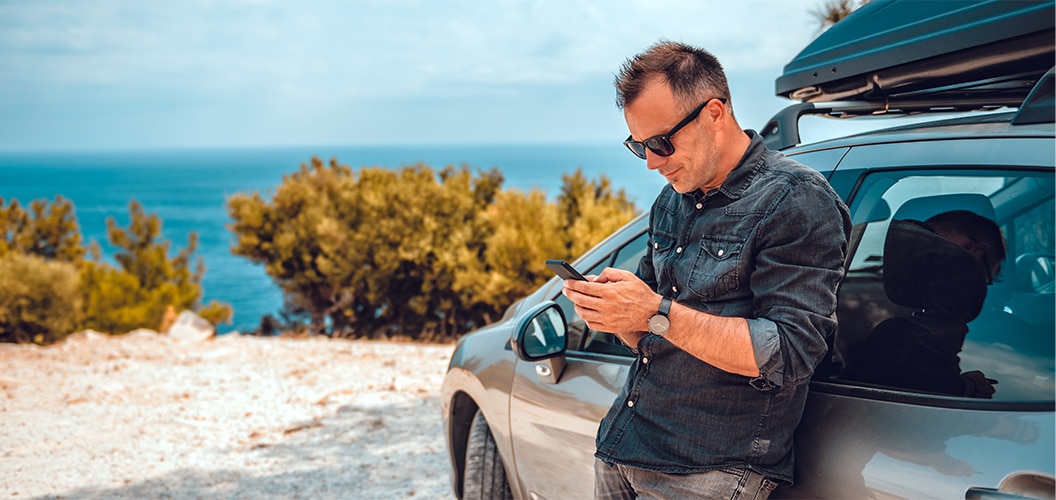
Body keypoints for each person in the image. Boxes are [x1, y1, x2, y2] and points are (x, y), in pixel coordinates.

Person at [560, 41, 851, 499]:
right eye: (639, 147)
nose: (653, 162)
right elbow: (653, 335)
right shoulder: (672, 200)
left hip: (706, 474)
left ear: (714, 113)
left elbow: (791, 352)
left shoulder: (796, 200)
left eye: (661, 142)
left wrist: (654, 312)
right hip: (625, 447)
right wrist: (615, 316)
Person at [841, 210, 1006, 398]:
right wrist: (967, 387)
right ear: (974, 250)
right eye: (985, 275)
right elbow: (926, 380)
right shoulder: (916, 332)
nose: (977, 282)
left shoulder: (853, 254)